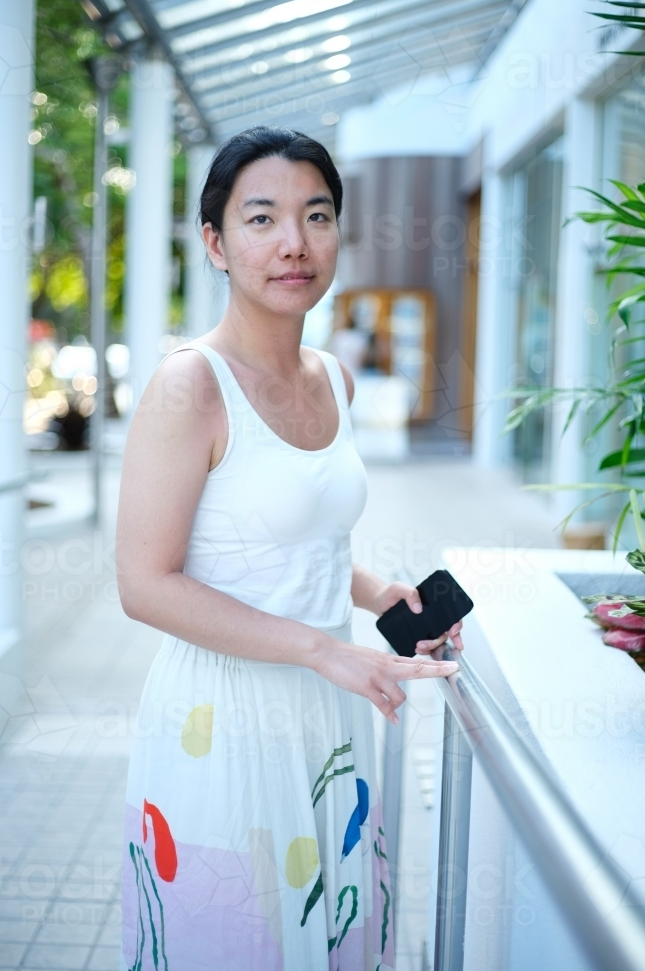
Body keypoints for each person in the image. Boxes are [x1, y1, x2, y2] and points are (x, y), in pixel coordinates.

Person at [116, 125, 463, 971]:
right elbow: (145, 585)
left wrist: (383, 597)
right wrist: (321, 650)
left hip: (330, 709)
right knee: (235, 940)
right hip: (221, 720)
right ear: (215, 243)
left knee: (330, 931)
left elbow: (285, 550)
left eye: (315, 215)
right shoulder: (188, 384)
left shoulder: (330, 378)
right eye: (261, 219)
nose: (293, 244)